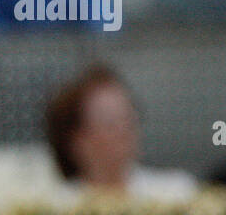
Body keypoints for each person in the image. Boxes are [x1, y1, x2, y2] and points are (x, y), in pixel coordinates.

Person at [45, 64, 198, 201]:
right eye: (110, 122)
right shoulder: (58, 208)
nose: (124, 131)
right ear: (76, 140)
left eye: (127, 118)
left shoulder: (175, 193)